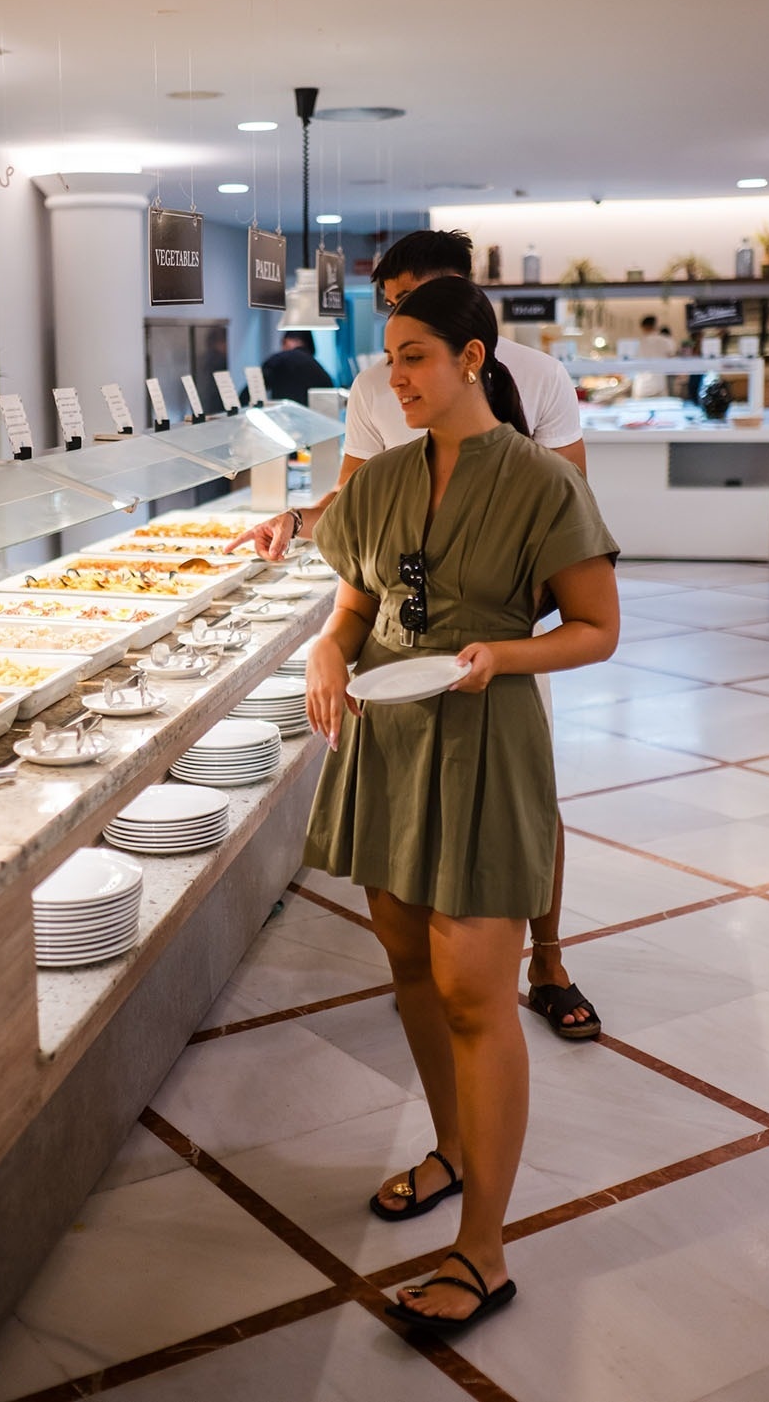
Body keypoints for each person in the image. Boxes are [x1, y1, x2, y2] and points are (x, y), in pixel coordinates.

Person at [304, 277, 619, 1332]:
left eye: (414, 358)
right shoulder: (383, 479)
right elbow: (354, 606)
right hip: (390, 742)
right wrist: (325, 648)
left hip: (484, 739)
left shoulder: (541, 485)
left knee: (478, 989)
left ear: (472, 359)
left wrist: (501, 654)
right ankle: (448, 1148)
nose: (395, 378)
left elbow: (596, 627)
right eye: (390, 360)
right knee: (405, 959)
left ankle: (482, 1249)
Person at [227, 229, 600, 1039]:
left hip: (499, 620)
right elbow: (353, 503)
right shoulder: (375, 387)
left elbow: (570, 499)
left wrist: (505, 631)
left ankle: (547, 958)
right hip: (400, 628)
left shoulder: (537, 376)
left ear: (463, 303)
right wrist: (296, 522)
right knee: (414, 798)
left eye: (412, 302)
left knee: (521, 800)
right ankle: (444, 956)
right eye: (390, 308)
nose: (398, 328)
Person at [259, 329, 333, 405]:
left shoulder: (278, 360)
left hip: (283, 414)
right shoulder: (320, 371)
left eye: (283, 342)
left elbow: (254, 389)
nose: (282, 347)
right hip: (312, 416)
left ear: (293, 340)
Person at [633, 315, 676, 397]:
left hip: (642, 386)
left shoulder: (639, 343)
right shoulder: (665, 341)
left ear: (644, 327)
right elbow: (672, 358)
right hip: (659, 385)